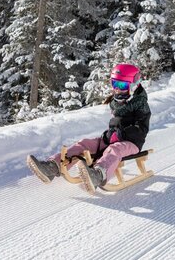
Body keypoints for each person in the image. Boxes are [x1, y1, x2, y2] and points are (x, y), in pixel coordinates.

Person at [27, 63, 151, 194]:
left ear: (133, 85)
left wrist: (123, 134)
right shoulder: (117, 103)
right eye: (114, 84)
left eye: (121, 86)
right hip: (111, 138)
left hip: (132, 143)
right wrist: (110, 135)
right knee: (84, 143)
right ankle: (53, 166)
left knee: (114, 149)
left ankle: (98, 174)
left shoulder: (141, 105)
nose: (117, 89)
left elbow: (142, 130)